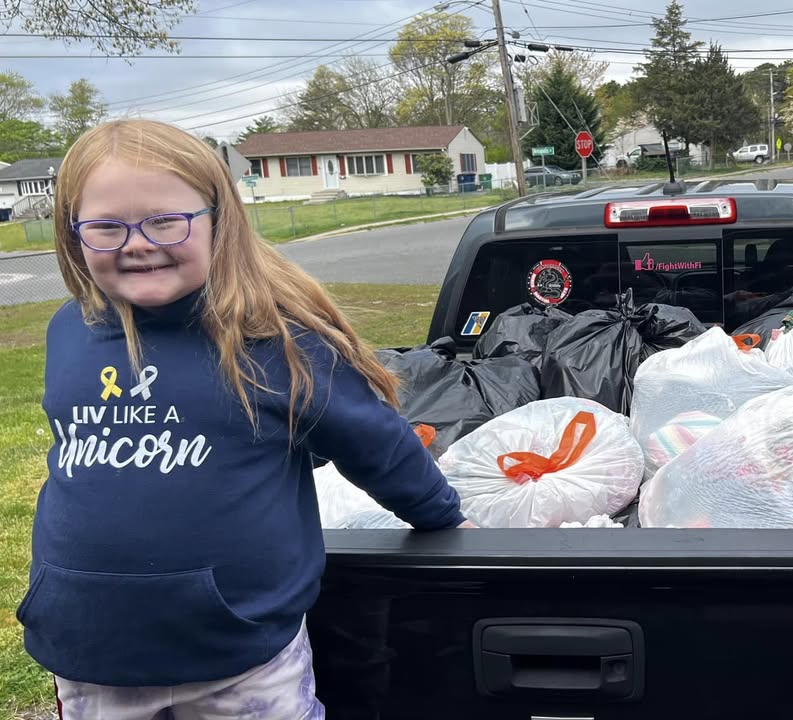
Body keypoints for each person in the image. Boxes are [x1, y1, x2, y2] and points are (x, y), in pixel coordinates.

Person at [17, 119, 473, 719]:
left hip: (240, 651)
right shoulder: (67, 329)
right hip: (87, 650)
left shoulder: (276, 341)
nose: (137, 243)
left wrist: (443, 517)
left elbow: (375, 443)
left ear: (218, 219)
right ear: (72, 232)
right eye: (106, 227)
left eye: (165, 220)